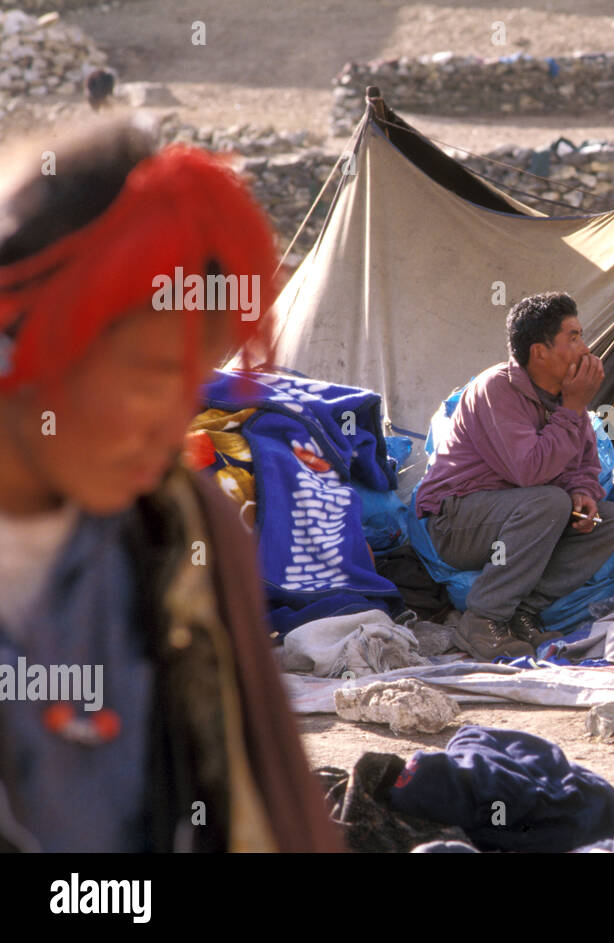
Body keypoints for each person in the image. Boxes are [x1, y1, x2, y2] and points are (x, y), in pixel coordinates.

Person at [0, 116, 340, 851]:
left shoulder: (178, 526)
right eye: (154, 376)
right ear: (34, 333)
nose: (175, 425)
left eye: (199, 379)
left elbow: (265, 803)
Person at [414, 291, 614, 661]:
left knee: (609, 521)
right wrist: (575, 408)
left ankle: (521, 613)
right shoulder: (497, 388)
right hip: (455, 522)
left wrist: (582, 493)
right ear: (539, 351)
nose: (585, 348)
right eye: (573, 337)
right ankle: (482, 620)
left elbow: (585, 466)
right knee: (548, 500)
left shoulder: (565, 397)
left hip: (518, 517)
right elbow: (529, 470)